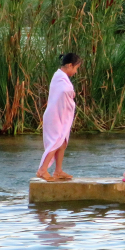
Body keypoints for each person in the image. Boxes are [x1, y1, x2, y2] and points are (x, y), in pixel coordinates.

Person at [36, 53, 82, 182]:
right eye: (76, 68)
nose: (76, 71)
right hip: (55, 116)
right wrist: (71, 92)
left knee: (63, 142)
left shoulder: (62, 77)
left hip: (62, 115)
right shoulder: (59, 77)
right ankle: (42, 170)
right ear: (69, 65)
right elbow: (63, 91)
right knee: (55, 142)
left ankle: (58, 171)